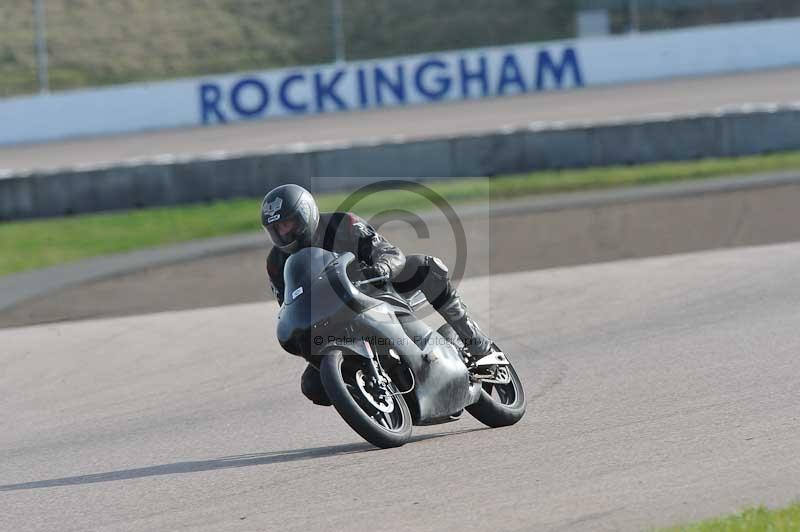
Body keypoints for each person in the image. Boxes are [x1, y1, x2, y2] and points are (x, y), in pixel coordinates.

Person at [262, 183, 493, 406]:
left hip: (378, 291)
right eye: (276, 229)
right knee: (313, 385)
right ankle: (374, 394)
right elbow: (290, 304)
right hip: (333, 319)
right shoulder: (275, 263)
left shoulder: (341, 222)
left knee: (427, 267)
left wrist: (382, 267)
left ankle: (477, 344)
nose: (284, 233)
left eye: (289, 223)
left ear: (306, 214)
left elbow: (388, 251)